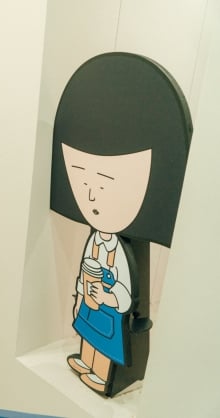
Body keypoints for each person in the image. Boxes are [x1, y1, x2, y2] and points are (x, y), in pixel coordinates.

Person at [50, 52, 192, 396]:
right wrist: (83, 291)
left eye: (104, 184)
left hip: (110, 308)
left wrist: (108, 295)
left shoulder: (123, 250)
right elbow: (87, 267)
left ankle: (102, 373)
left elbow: (128, 294)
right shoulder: (96, 239)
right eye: (81, 179)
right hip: (90, 304)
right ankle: (87, 362)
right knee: (89, 335)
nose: (91, 196)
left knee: (106, 342)